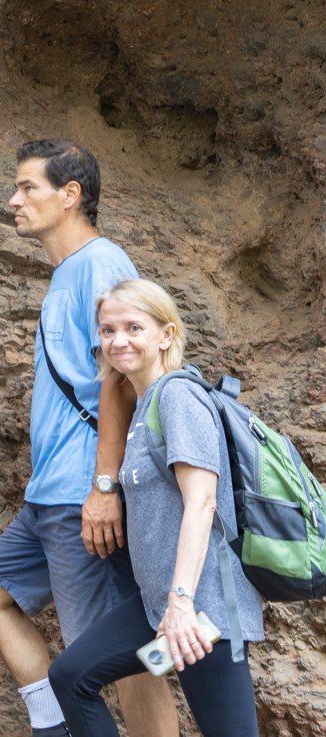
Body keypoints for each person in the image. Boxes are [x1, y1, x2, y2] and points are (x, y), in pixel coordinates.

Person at [0, 140, 177, 737]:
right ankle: (53, 726)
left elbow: (124, 381)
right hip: (51, 493)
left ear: (70, 195)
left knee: (125, 656)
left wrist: (105, 487)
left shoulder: (101, 265)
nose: (14, 200)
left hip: (84, 495)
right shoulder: (70, 272)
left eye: (27, 187)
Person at [48, 278, 263, 735]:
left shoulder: (178, 396)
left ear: (166, 335)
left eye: (133, 327)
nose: (118, 340)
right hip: (158, 608)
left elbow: (202, 502)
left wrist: (182, 603)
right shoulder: (144, 405)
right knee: (71, 676)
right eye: (107, 330)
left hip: (204, 611)